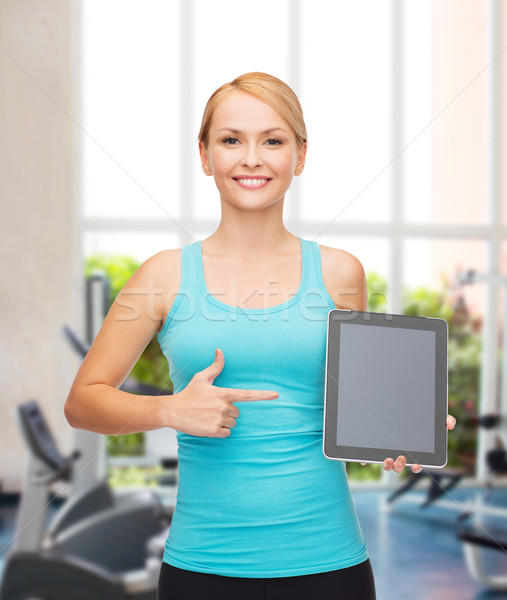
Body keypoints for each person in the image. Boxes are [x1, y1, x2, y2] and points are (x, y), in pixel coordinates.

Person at [64, 72, 457, 600]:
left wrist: (398, 427)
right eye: (231, 140)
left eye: (272, 140)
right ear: (204, 155)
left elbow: (349, 406)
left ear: (300, 154)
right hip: (203, 568)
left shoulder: (341, 273)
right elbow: (82, 403)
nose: (252, 159)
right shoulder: (163, 276)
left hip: (330, 565)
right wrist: (169, 410)